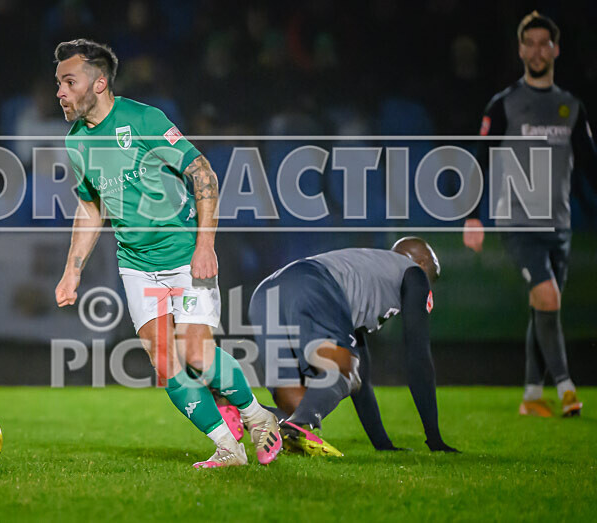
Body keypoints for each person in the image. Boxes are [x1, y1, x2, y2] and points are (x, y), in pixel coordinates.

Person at [52, 39, 281, 468]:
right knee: (165, 363)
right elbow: (91, 207)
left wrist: (205, 244)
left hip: (183, 256)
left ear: (99, 83)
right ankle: (228, 449)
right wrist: (72, 272)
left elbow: (203, 174)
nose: (60, 92)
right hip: (136, 266)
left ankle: (257, 416)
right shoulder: (76, 142)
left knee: (196, 354)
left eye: (69, 82)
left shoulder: (144, 119)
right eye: (58, 83)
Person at [463, 12, 597, 417]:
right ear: (521, 50)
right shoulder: (504, 105)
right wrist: (473, 215)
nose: (538, 50)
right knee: (548, 297)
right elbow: (479, 160)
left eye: (545, 43)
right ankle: (566, 388)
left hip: (559, 226)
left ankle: (530, 396)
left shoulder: (570, 107)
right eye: (530, 43)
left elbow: (589, 165)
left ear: (555, 49)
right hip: (518, 222)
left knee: (544, 307)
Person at [248, 237, 457, 455]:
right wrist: (434, 439)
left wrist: (383, 445)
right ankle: (298, 426)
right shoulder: (413, 272)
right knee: (343, 371)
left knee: (297, 405)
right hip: (311, 282)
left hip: (266, 295)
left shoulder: (367, 274)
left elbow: (362, 379)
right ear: (422, 262)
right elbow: (418, 355)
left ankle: (239, 408)